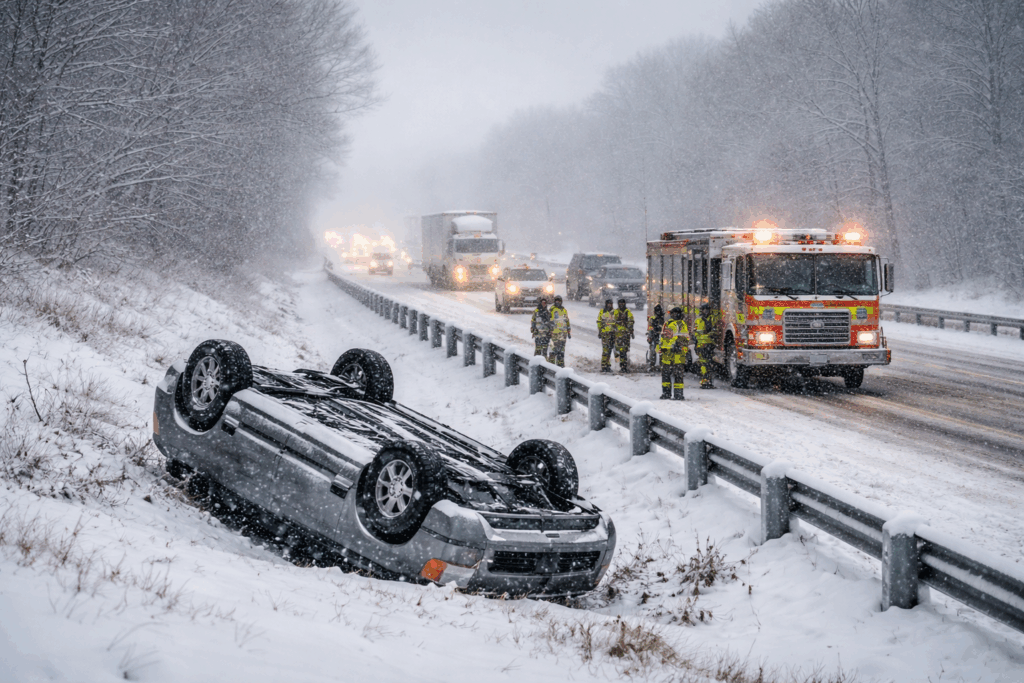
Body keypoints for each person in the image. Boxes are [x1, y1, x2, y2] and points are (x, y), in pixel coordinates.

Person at [659, 306, 689, 400]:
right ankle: (666, 393)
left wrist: (678, 345)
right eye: (673, 313)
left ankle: (678, 394)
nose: (674, 315)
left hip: (678, 353)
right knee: (665, 374)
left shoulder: (682, 324)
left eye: (676, 313)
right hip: (667, 353)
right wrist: (660, 349)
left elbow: (685, 338)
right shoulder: (667, 324)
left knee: (678, 374)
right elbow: (663, 338)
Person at [694, 303, 715, 389]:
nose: (705, 311)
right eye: (704, 310)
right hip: (702, 346)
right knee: (704, 364)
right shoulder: (699, 321)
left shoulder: (711, 319)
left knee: (708, 364)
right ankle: (705, 381)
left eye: (707, 310)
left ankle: (707, 381)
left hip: (708, 345)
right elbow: (697, 334)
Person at [548, 295, 571, 367]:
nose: (557, 302)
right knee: (553, 350)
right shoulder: (552, 309)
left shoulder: (564, 310)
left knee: (561, 350)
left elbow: (567, 321)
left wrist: (568, 331)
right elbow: (548, 320)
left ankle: (560, 364)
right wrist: (549, 330)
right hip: (554, 333)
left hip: (563, 334)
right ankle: (551, 365)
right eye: (556, 301)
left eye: (559, 301)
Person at [613, 298, 635, 372]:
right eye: (620, 304)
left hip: (625, 334)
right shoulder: (616, 312)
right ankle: (620, 364)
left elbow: (631, 321)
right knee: (618, 351)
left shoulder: (627, 312)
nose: (621, 305)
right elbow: (612, 321)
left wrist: (630, 330)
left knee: (624, 351)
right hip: (618, 334)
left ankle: (623, 365)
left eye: (623, 303)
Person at [597, 298, 616, 373]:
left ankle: (607, 365)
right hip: (605, 334)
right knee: (605, 350)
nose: (609, 305)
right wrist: (600, 331)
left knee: (610, 350)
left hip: (612, 333)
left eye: (610, 304)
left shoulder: (614, 312)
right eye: (608, 304)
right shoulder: (602, 312)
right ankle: (604, 366)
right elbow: (599, 322)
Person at [646, 303, 665, 371]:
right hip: (654, 336)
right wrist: (650, 336)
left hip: (661, 337)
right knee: (653, 350)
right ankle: (652, 365)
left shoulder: (663, 320)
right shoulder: (653, 319)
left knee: (661, 351)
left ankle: (661, 365)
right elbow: (650, 328)